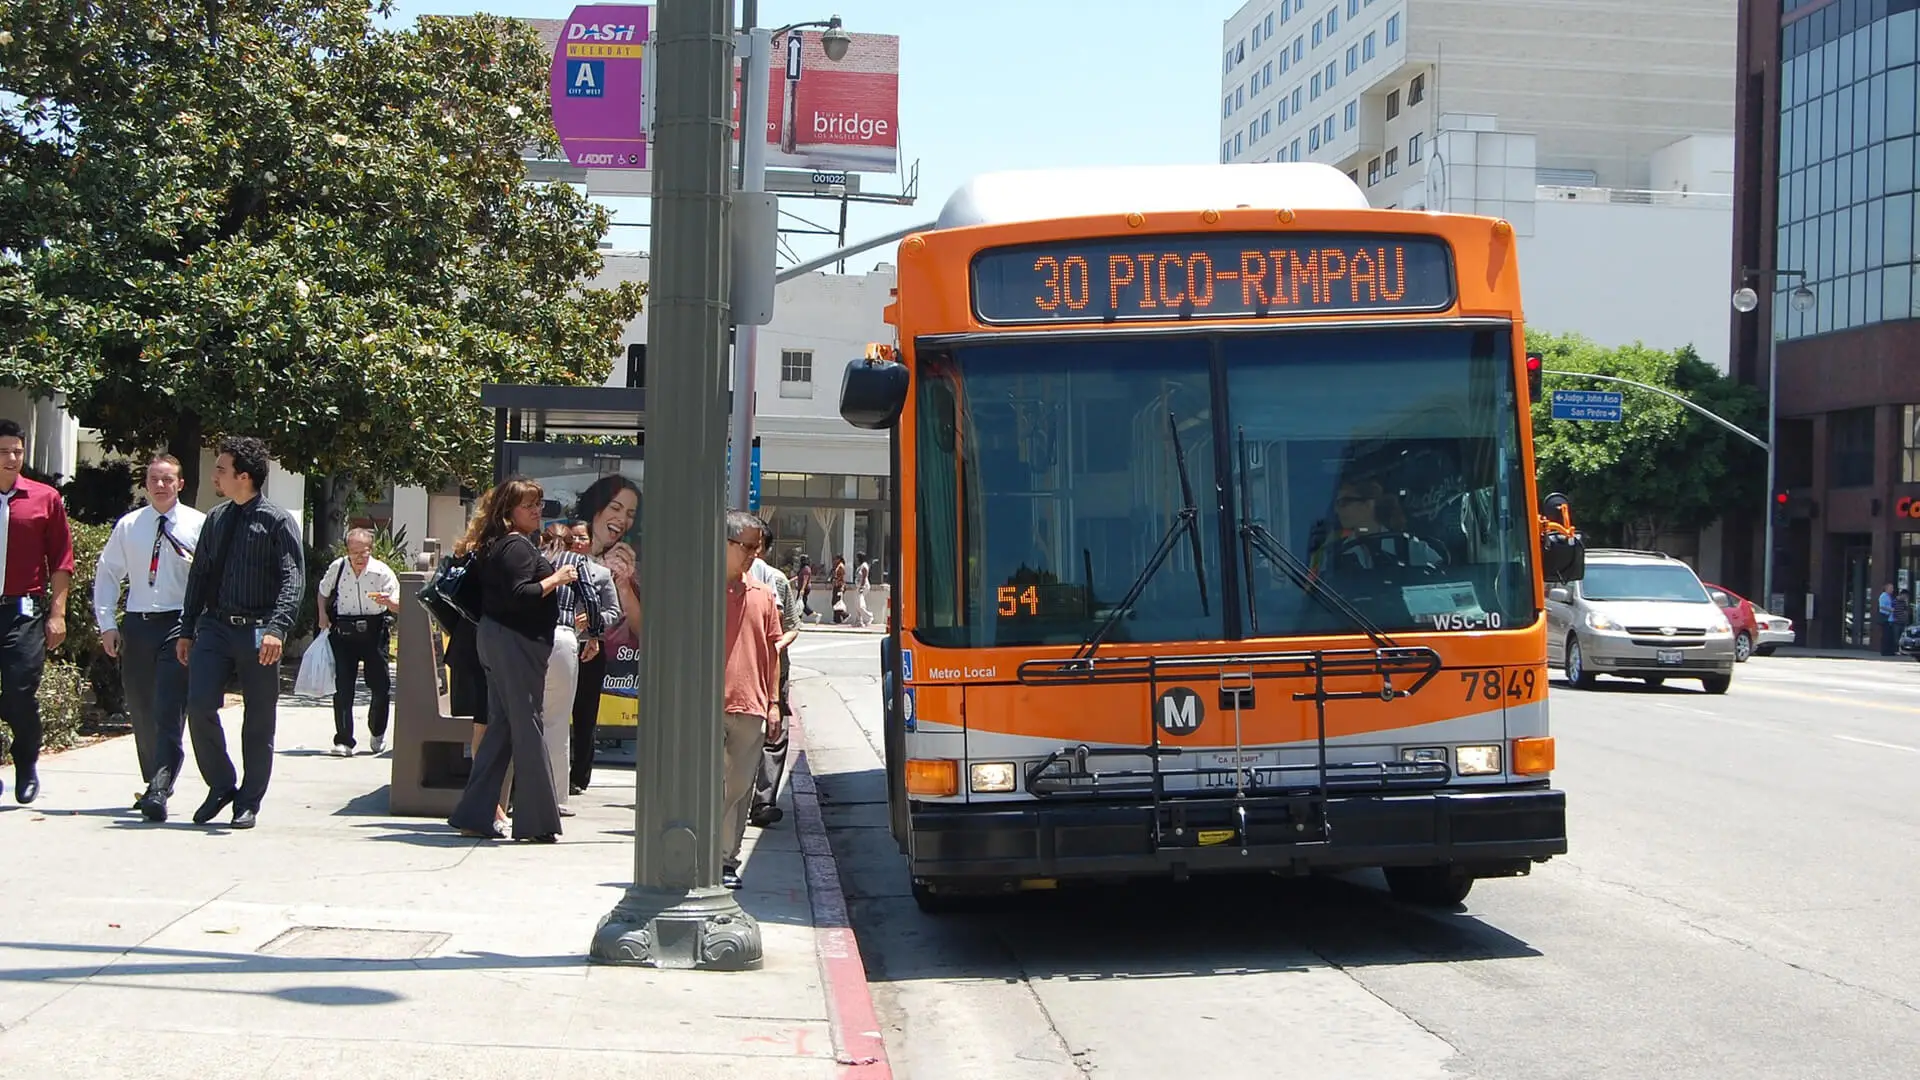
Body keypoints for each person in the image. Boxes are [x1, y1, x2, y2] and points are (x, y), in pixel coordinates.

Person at [178, 436, 305, 830]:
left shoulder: (276, 521)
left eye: (221, 469)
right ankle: (220, 784)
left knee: (258, 718)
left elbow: (293, 579)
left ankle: (248, 801)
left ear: (243, 476)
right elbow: (198, 576)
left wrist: (277, 629)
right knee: (198, 705)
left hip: (258, 631)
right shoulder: (216, 519)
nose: (215, 475)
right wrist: (187, 629)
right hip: (215, 627)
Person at [446, 477, 574, 843]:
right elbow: (523, 594)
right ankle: (537, 822)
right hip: (514, 643)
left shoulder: (497, 545)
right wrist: (558, 578)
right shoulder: (516, 546)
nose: (537, 510)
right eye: (528, 505)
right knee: (527, 727)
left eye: (538, 503)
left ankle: (475, 814)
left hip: (497, 639)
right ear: (509, 512)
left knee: (501, 729)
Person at [93, 453, 205, 821]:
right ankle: (153, 778)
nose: (160, 485)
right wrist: (107, 623)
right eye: (154, 478)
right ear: (146, 482)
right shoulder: (130, 525)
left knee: (169, 705)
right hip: (139, 623)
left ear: (181, 484)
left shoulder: (198, 525)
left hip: (178, 623)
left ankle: (160, 786)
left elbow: (208, 580)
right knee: (141, 707)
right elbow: (109, 573)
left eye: (168, 479)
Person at [0, 418, 75, 805]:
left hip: (23, 610)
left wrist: (57, 613)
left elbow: (61, 559)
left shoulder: (45, 499)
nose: (12, 458)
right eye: (4, 452)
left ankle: (26, 762)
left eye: (17, 451)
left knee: (19, 691)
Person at [721, 510, 782, 890]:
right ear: (724, 544)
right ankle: (707, 855)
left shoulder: (763, 595)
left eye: (756, 548)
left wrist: (774, 702)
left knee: (739, 788)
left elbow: (772, 652)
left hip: (752, 706)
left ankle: (727, 858)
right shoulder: (700, 589)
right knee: (710, 786)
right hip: (708, 705)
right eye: (745, 546)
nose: (752, 555)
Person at [316, 528, 401, 756]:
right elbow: (323, 591)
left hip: (374, 630)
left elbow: (400, 604)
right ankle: (344, 740)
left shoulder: (381, 572)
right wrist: (322, 616)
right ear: (347, 551)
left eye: (363, 553)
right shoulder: (339, 567)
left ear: (371, 550)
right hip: (344, 631)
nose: (359, 559)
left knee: (380, 686)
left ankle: (377, 731)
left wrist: (390, 603)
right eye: (354, 553)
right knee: (343, 687)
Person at [539, 523, 605, 815]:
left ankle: (514, 789)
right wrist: (593, 632)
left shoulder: (531, 555)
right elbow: (591, 600)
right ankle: (554, 796)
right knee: (556, 720)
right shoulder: (575, 561)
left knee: (528, 716)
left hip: (526, 639)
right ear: (570, 543)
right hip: (561, 635)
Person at [748, 523, 803, 828]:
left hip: (773, 666)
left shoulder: (777, 580)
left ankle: (763, 801)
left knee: (774, 732)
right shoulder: (725, 577)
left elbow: (794, 624)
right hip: (739, 666)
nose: (750, 552)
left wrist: (779, 643)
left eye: (756, 546)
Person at [566, 520, 622, 794]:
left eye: (582, 538)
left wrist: (593, 620)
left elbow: (614, 611)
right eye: (573, 538)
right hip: (558, 648)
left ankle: (579, 775)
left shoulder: (600, 573)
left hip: (590, 648)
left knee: (585, 713)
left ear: (590, 542)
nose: (578, 542)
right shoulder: (554, 569)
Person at [577, 475, 642, 650]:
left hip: (616, 664)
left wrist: (624, 585)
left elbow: (643, 632)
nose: (622, 520)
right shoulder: (567, 553)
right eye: (615, 508)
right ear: (595, 507)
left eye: (630, 514)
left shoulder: (629, 563)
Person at [852, 550, 873, 627]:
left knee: (860, 604)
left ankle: (869, 616)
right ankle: (859, 621)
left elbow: (864, 577)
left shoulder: (864, 566)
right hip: (859, 586)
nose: (856, 559)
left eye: (857, 558)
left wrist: (861, 587)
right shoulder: (860, 566)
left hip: (863, 586)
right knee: (856, 603)